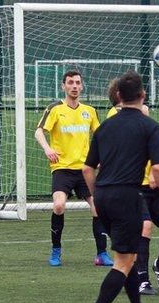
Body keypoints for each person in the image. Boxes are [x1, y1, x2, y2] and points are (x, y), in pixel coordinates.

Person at [82, 70, 159, 303]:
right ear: (143, 95)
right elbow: (158, 169)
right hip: (127, 197)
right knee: (123, 262)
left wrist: (96, 196)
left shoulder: (104, 126)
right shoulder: (150, 126)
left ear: (119, 96)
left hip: (102, 196)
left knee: (128, 256)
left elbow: (88, 169)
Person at [105, 79, 159, 295]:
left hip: (154, 187)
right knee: (145, 227)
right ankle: (142, 280)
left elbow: (150, 149)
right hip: (132, 188)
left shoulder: (145, 117)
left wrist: (152, 172)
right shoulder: (114, 118)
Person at [35, 70, 113, 267]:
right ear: (63, 86)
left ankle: (101, 254)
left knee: (98, 207)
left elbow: (101, 136)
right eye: (70, 83)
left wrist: (102, 158)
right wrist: (47, 148)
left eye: (78, 82)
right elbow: (38, 132)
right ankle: (56, 250)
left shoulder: (89, 111)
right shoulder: (55, 109)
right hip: (62, 168)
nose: (74, 86)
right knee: (59, 205)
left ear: (82, 86)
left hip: (85, 170)